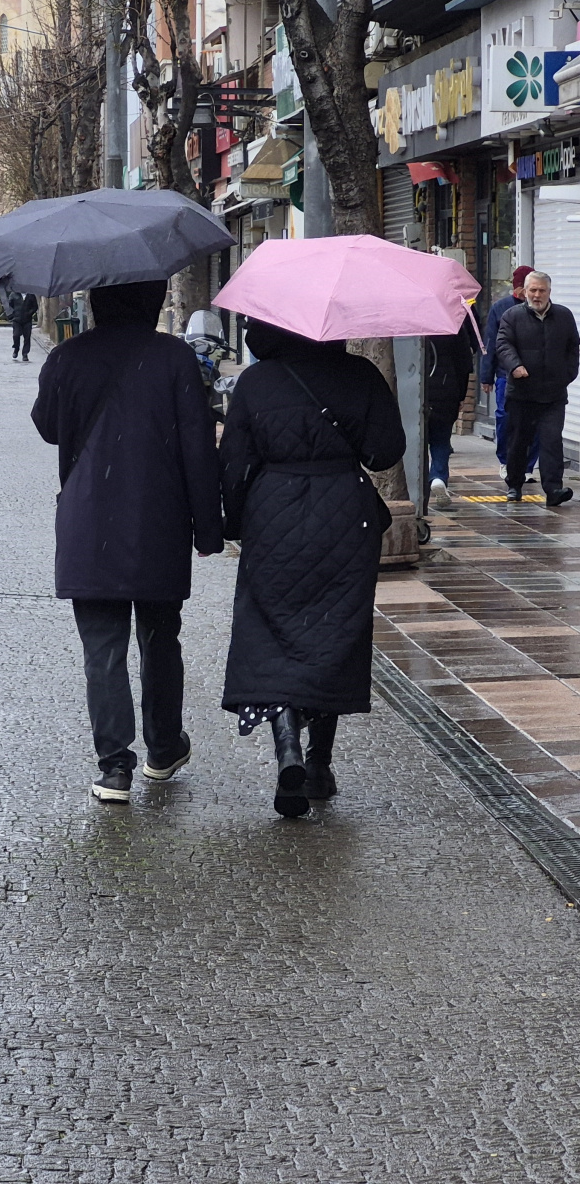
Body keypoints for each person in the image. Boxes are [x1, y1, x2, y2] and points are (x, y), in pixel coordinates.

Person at [31, 280, 224, 803]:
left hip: (88, 520)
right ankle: (163, 749)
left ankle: (114, 766)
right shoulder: (176, 360)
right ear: (154, 297)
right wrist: (210, 527)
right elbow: (198, 450)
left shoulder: (68, 357)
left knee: (103, 647)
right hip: (157, 520)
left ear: (96, 300)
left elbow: (47, 427)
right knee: (161, 640)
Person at [220, 319, 405, 818]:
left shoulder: (257, 381)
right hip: (345, 515)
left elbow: (233, 462)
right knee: (333, 635)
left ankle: (288, 751)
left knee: (273, 632)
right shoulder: (360, 375)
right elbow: (387, 451)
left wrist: (235, 522)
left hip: (272, 514)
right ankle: (320, 765)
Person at [496, 270, 580, 507]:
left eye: (542, 290)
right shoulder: (512, 316)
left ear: (549, 292)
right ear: (525, 291)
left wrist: (568, 374)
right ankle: (514, 484)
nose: (537, 295)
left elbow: (573, 347)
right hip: (522, 393)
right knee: (518, 441)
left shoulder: (563, 316)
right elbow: (502, 345)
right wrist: (515, 366)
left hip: (553, 394)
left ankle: (554, 489)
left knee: (551, 441)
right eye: (532, 290)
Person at [482, 265, 537, 480]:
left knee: (535, 422)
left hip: (535, 376)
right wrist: (487, 375)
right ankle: (506, 461)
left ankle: (528, 466)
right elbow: (491, 342)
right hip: (506, 375)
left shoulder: (541, 309)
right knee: (505, 418)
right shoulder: (501, 308)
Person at [426, 316, 475, 509]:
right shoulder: (450, 320)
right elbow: (464, 363)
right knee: (440, 439)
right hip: (446, 390)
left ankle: (417, 483)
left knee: (414, 440)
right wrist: (460, 395)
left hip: (414, 389)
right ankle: (437, 476)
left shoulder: (407, 317)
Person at [7, 291, 38, 362]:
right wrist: (13, 314)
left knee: (27, 337)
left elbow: (35, 307)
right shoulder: (14, 294)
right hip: (16, 319)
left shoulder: (31, 295)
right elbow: (9, 305)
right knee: (16, 335)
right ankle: (16, 348)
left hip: (27, 320)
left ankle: (25, 354)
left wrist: (29, 313)